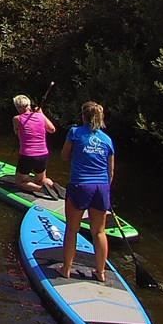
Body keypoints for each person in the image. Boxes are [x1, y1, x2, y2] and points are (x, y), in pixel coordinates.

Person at [60, 101, 116, 283]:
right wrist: (106, 193)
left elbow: (64, 156)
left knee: (72, 229)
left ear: (83, 116)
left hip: (80, 185)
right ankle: (100, 272)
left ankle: (66, 269)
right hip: (101, 187)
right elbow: (110, 171)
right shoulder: (107, 140)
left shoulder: (74, 132)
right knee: (99, 232)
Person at [12, 93, 57, 195]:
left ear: (18, 107)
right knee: (41, 180)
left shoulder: (17, 119)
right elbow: (52, 129)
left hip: (27, 155)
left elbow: (16, 132)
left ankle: (42, 190)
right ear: (29, 105)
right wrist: (41, 114)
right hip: (43, 154)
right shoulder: (40, 116)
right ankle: (52, 186)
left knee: (20, 182)